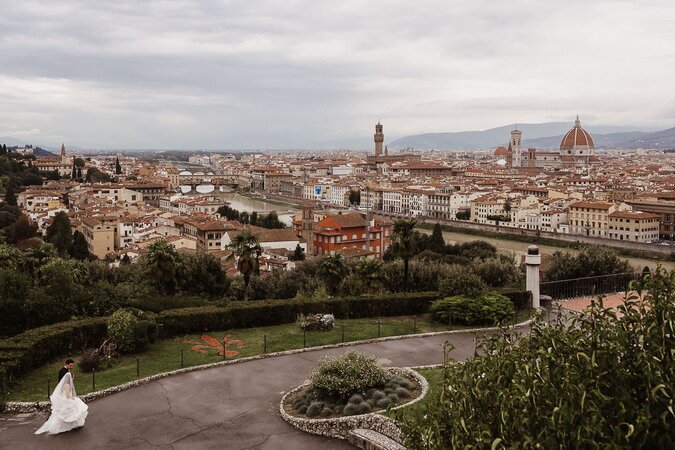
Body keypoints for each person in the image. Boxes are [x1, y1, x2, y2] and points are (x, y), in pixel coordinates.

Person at [35, 371, 88, 435]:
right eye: (72, 377)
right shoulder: (67, 385)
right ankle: (64, 427)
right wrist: (73, 398)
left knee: (72, 413)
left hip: (66, 400)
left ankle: (73, 425)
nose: (73, 379)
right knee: (71, 412)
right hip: (67, 400)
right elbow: (67, 395)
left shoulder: (66, 384)